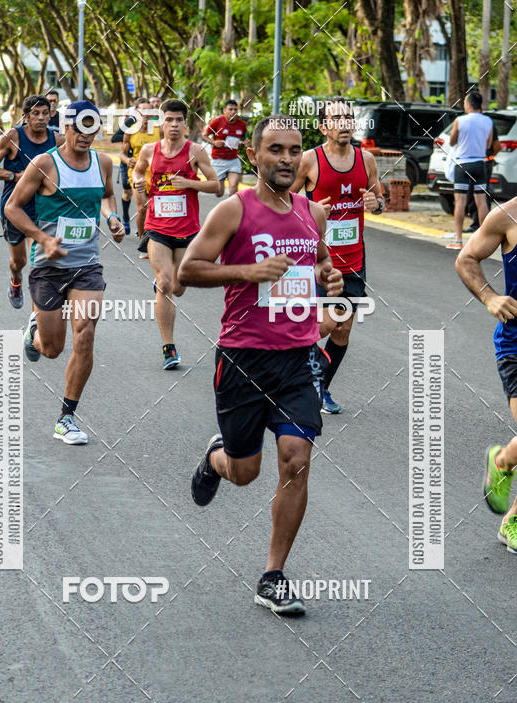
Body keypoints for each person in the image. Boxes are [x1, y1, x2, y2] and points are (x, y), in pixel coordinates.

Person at [180, 115, 344, 614]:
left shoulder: (311, 213)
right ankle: (217, 458)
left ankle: (272, 575)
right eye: (275, 150)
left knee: (297, 458)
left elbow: (316, 261)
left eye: (294, 151)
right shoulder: (233, 210)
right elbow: (188, 270)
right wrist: (246, 271)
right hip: (243, 359)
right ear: (255, 156)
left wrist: (327, 280)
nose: (287, 159)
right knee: (245, 471)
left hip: (296, 359)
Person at [4, 100, 125, 444]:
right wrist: (43, 237)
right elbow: (13, 207)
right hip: (48, 266)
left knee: (85, 333)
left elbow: (108, 197)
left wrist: (112, 218)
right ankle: (34, 335)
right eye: (80, 129)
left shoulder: (103, 162)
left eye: (93, 129)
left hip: (87, 263)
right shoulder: (45, 164)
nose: (87, 136)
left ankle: (66, 418)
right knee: (53, 349)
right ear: (66, 127)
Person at [291, 97, 384, 414]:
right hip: (317, 261)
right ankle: (290, 360)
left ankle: (320, 388)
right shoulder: (309, 160)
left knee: (343, 328)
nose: (344, 122)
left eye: (348, 117)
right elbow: (282, 202)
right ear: (323, 126)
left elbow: (378, 198)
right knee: (328, 322)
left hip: (355, 261)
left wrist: (377, 204)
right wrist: (309, 211)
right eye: (337, 118)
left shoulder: (366, 159)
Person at [133, 98, 219, 369]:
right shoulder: (149, 150)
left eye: (178, 120)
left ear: (185, 123)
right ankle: (169, 347)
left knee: (179, 287)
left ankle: (166, 284)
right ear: (161, 122)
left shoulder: (196, 152)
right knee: (165, 283)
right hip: (157, 228)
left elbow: (216, 185)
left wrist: (190, 183)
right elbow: (137, 171)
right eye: (168, 120)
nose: (173, 125)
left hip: (187, 231)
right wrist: (138, 189)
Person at [455, 202, 517, 553]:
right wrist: (489, 296)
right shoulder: (507, 216)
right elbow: (465, 259)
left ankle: (505, 464)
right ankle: (504, 466)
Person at [0, 94, 60, 308]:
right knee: (20, 262)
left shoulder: (57, 139)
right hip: (14, 207)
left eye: (45, 113)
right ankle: (15, 280)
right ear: (25, 116)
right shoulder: (12, 137)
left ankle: (38, 318)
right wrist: (16, 176)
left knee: (39, 263)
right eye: (35, 113)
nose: (41, 118)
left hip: (44, 208)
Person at [446, 90, 493, 250]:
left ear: (468, 104)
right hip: (480, 164)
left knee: (460, 202)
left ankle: (458, 240)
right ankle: (483, 239)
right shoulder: (488, 121)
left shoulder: (460, 120)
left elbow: (452, 141)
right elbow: (488, 144)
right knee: (481, 202)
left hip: (462, 165)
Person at [121, 98, 161, 254]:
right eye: (142, 110)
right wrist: (126, 160)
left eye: (149, 110)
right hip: (137, 173)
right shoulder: (130, 130)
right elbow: (122, 153)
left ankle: (156, 241)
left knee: (156, 210)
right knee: (142, 208)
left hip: (157, 174)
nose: (145, 114)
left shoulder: (159, 129)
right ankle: (144, 244)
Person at [204, 99, 248, 197]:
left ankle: (231, 210)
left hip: (233, 160)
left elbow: (243, 139)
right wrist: (214, 142)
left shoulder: (242, 125)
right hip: (218, 160)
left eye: (235, 110)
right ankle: (221, 180)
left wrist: (245, 143)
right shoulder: (217, 122)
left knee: (233, 188)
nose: (233, 112)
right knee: (219, 193)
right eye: (230, 109)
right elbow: (204, 135)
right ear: (224, 110)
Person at [111, 101, 139, 234]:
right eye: (142, 110)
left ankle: (144, 227)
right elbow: (114, 138)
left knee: (144, 196)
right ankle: (126, 217)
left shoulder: (157, 124)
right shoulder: (131, 122)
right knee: (128, 193)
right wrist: (133, 135)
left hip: (146, 165)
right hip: (128, 162)